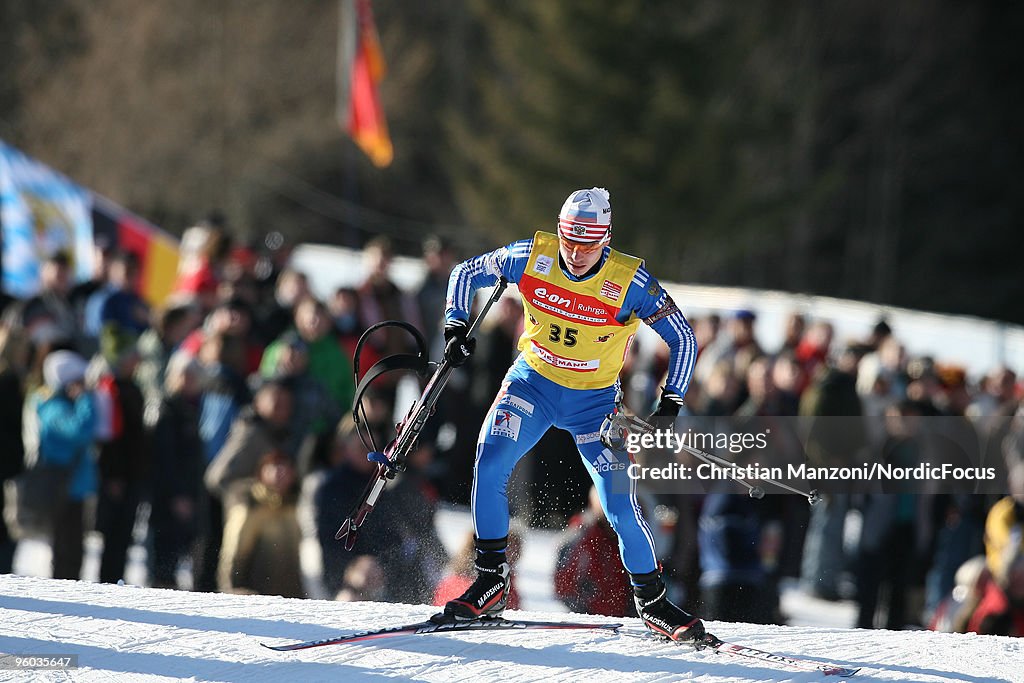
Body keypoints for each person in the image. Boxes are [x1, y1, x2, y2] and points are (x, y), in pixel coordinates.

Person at [439, 187, 703, 641]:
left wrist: (671, 402)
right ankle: (490, 580)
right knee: (490, 460)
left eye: (589, 243)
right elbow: (464, 273)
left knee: (619, 501)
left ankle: (653, 601)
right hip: (532, 385)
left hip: (594, 406)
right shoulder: (531, 255)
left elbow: (683, 337)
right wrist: (456, 326)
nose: (577, 254)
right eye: (569, 241)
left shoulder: (630, 282)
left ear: (607, 239)